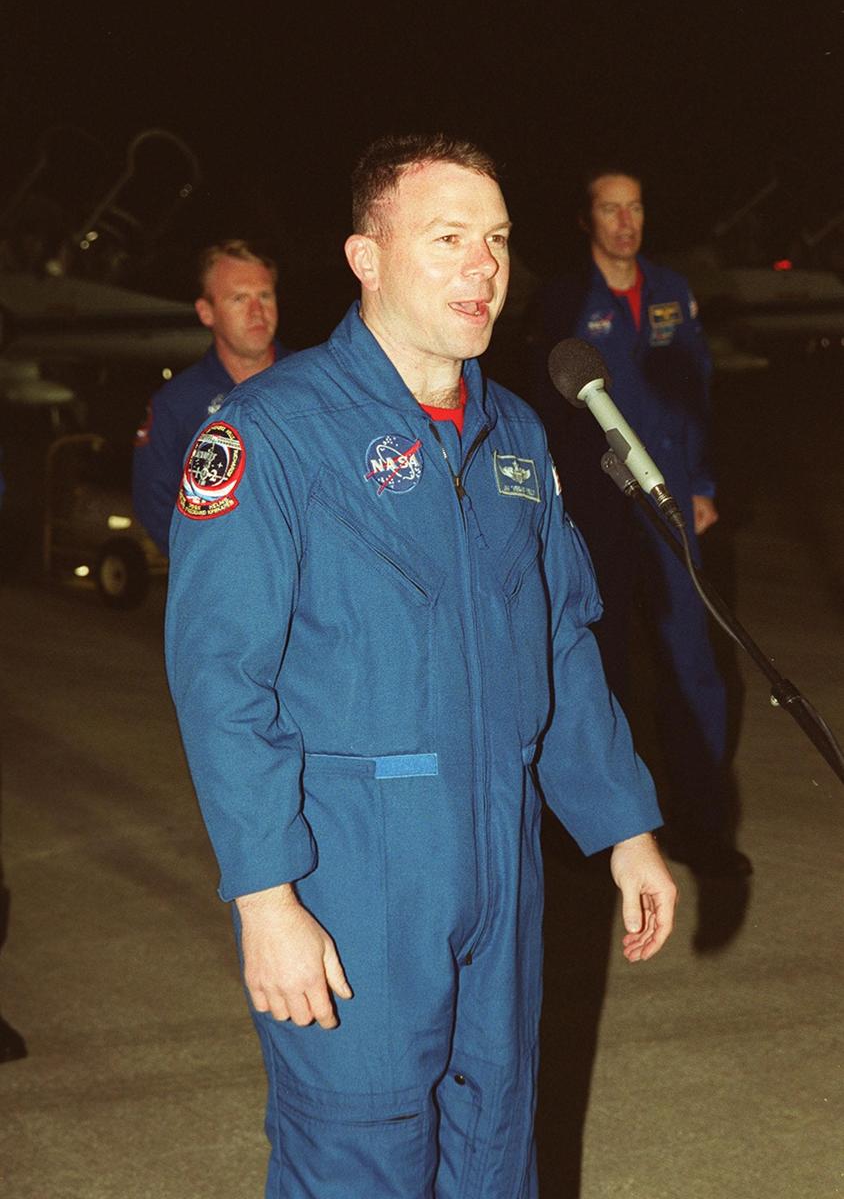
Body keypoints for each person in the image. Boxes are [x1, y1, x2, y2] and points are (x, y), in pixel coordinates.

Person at [165, 135, 676, 1199]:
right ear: (366, 256)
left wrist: (623, 824)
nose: (481, 267)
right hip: (352, 871)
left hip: (497, 861)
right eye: (446, 239)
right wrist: (267, 896)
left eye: (493, 241)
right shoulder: (273, 431)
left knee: (495, 1148)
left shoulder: (516, 439)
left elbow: (559, 639)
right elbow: (221, 675)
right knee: (358, 1156)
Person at [530, 168, 749, 875]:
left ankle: (701, 825)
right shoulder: (564, 300)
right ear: (587, 218)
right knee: (600, 660)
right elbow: (545, 408)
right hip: (597, 508)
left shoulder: (671, 293)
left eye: (635, 208)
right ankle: (598, 827)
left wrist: (704, 483)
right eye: (609, 209)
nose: (625, 221)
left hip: (672, 500)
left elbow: (700, 392)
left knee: (694, 660)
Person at [132, 239, 290, 554]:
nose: (257, 312)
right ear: (206, 312)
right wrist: (212, 565)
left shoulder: (314, 385)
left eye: (265, 296)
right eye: (239, 298)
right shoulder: (176, 403)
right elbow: (154, 501)